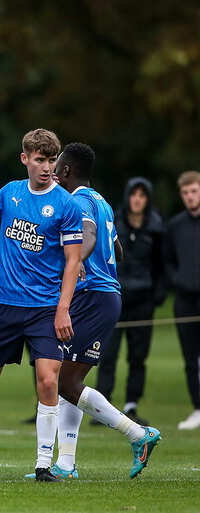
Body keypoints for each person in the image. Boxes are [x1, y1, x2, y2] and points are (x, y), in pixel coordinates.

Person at [0, 129, 84, 482]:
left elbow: (73, 261)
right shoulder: (9, 193)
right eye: (40, 159)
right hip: (3, 306)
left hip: (45, 308)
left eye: (51, 160)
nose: (46, 167)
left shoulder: (66, 204)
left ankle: (43, 464)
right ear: (25, 158)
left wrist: (63, 308)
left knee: (48, 381)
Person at [34, 142, 162, 480]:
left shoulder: (77, 201)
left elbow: (88, 234)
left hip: (94, 298)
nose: (52, 174)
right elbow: (117, 250)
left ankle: (138, 434)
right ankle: (66, 463)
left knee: (66, 382)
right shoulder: (101, 201)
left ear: (65, 171)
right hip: (100, 297)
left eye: (56, 168)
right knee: (67, 378)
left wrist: (75, 260)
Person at [96, 177, 166, 425]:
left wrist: (158, 293)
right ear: (128, 196)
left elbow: (161, 265)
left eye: (142, 195)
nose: (137, 199)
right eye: (134, 194)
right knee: (107, 353)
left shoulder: (156, 229)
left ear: (148, 199)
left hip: (143, 301)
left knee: (138, 356)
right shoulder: (113, 222)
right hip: (115, 298)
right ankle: (102, 406)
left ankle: (131, 405)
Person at [165, 170, 200, 430]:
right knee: (190, 358)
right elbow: (167, 261)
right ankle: (197, 408)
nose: (190, 196)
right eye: (185, 193)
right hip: (185, 301)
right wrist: (179, 281)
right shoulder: (175, 226)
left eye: (194, 191)